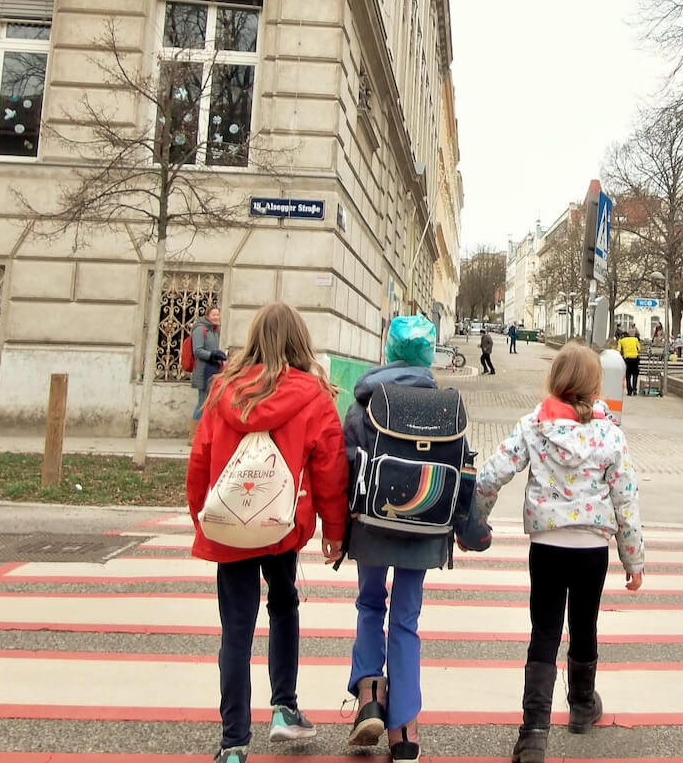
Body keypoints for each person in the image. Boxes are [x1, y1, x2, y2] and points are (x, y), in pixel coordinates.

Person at [186, 302, 348, 763]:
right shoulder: (314, 397)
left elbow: (199, 462)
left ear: (253, 339)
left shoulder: (222, 391)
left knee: (235, 631)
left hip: (229, 527)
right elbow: (330, 470)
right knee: (283, 605)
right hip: (281, 525)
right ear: (300, 342)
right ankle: (284, 708)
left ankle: (233, 743)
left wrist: (204, 515)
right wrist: (334, 531)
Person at [473, 342, 645, 763]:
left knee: (544, 632)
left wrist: (476, 520)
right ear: (594, 385)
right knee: (584, 626)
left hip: (547, 547)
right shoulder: (610, 434)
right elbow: (626, 500)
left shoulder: (535, 425)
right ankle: (583, 707)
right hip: (591, 549)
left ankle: (533, 734)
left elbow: (492, 474)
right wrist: (633, 559)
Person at [342, 316, 492, 763]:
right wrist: (471, 531)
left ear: (389, 351)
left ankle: (369, 694)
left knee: (370, 603)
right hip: (425, 530)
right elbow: (465, 474)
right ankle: (404, 732)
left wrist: (336, 527)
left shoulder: (367, 402)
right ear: (429, 356)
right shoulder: (447, 404)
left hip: (371, 524)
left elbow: (344, 464)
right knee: (406, 619)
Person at [190, 305, 227, 439]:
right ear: (207, 316)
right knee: (202, 403)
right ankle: (193, 436)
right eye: (213, 315)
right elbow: (197, 350)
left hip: (213, 371)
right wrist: (213, 355)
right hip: (202, 371)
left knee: (210, 404)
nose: (216, 317)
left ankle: (204, 434)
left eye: (218, 315)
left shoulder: (214, 331)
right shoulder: (200, 330)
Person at [617, 327, 641, 396]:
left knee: (628, 375)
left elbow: (618, 350)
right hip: (635, 358)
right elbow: (639, 349)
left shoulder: (621, 341)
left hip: (627, 359)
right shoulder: (635, 339)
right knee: (635, 375)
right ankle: (634, 389)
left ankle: (629, 391)